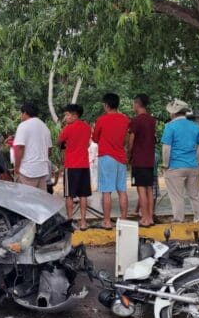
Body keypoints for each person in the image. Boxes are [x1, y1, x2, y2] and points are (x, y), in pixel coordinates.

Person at [160, 99, 199, 223]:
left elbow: (166, 148)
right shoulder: (195, 126)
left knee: (177, 197)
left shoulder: (169, 127)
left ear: (173, 113)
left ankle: (178, 220)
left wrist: (165, 165)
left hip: (175, 167)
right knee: (195, 195)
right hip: (192, 166)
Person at [92, 93, 130, 229]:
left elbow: (95, 138)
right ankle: (124, 220)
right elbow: (125, 137)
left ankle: (107, 221)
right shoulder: (125, 119)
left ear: (106, 105)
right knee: (122, 191)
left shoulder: (101, 119)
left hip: (106, 157)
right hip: (121, 157)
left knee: (106, 191)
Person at [57, 103, 92, 230]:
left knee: (69, 195)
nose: (65, 117)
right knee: (83, 195)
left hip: (71, 165)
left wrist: (65, 144)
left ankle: (70, 220)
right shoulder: (87, 127)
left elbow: (58, 142)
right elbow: (87, 144)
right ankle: (83, 222)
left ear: (74, 115)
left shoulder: (68, 128)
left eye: (67, 115)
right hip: (84, 165)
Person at [128, 93, 156, 227]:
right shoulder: (152, 120)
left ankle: (144, 218)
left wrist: (129, 155)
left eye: (133, 104)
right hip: (149, 159)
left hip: (139, 159)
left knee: (141, 189)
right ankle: (150, 217)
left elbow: (131, 140)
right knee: (149, 189)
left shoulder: (136, 120)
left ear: (137, 104)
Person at [13, 102, 52, 191]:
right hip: (42, 171)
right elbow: (49, 151)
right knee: (40, 198)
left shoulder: (23, 125)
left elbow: (20, 148)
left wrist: (16, 168)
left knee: (25, 198)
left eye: (21, 113)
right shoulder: (45, 127)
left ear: (25, 113)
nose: (21, 116)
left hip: (27, 171)